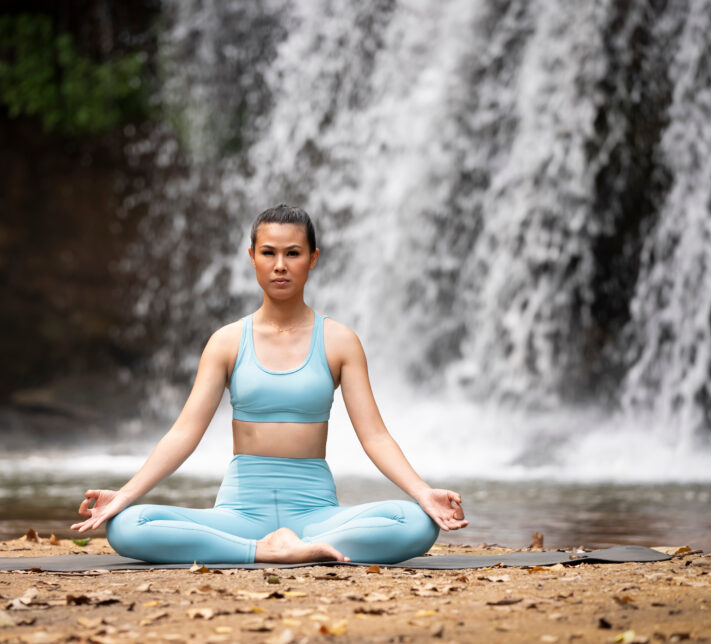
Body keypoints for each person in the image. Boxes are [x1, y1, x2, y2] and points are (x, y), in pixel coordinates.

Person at [72, 204, 468, 564]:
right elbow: (184, 433)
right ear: (252, 258)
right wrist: (124, 495)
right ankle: (265, 550)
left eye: (293, 253)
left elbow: (375, 437)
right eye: (269, 253)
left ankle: (278, 548)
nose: (280, 265)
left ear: (312, 259)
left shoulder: (339, 341)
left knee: (416, 522)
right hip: (240, 513)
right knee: (127, 525)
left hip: (316, 514)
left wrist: (422, 492)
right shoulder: (227, 341)